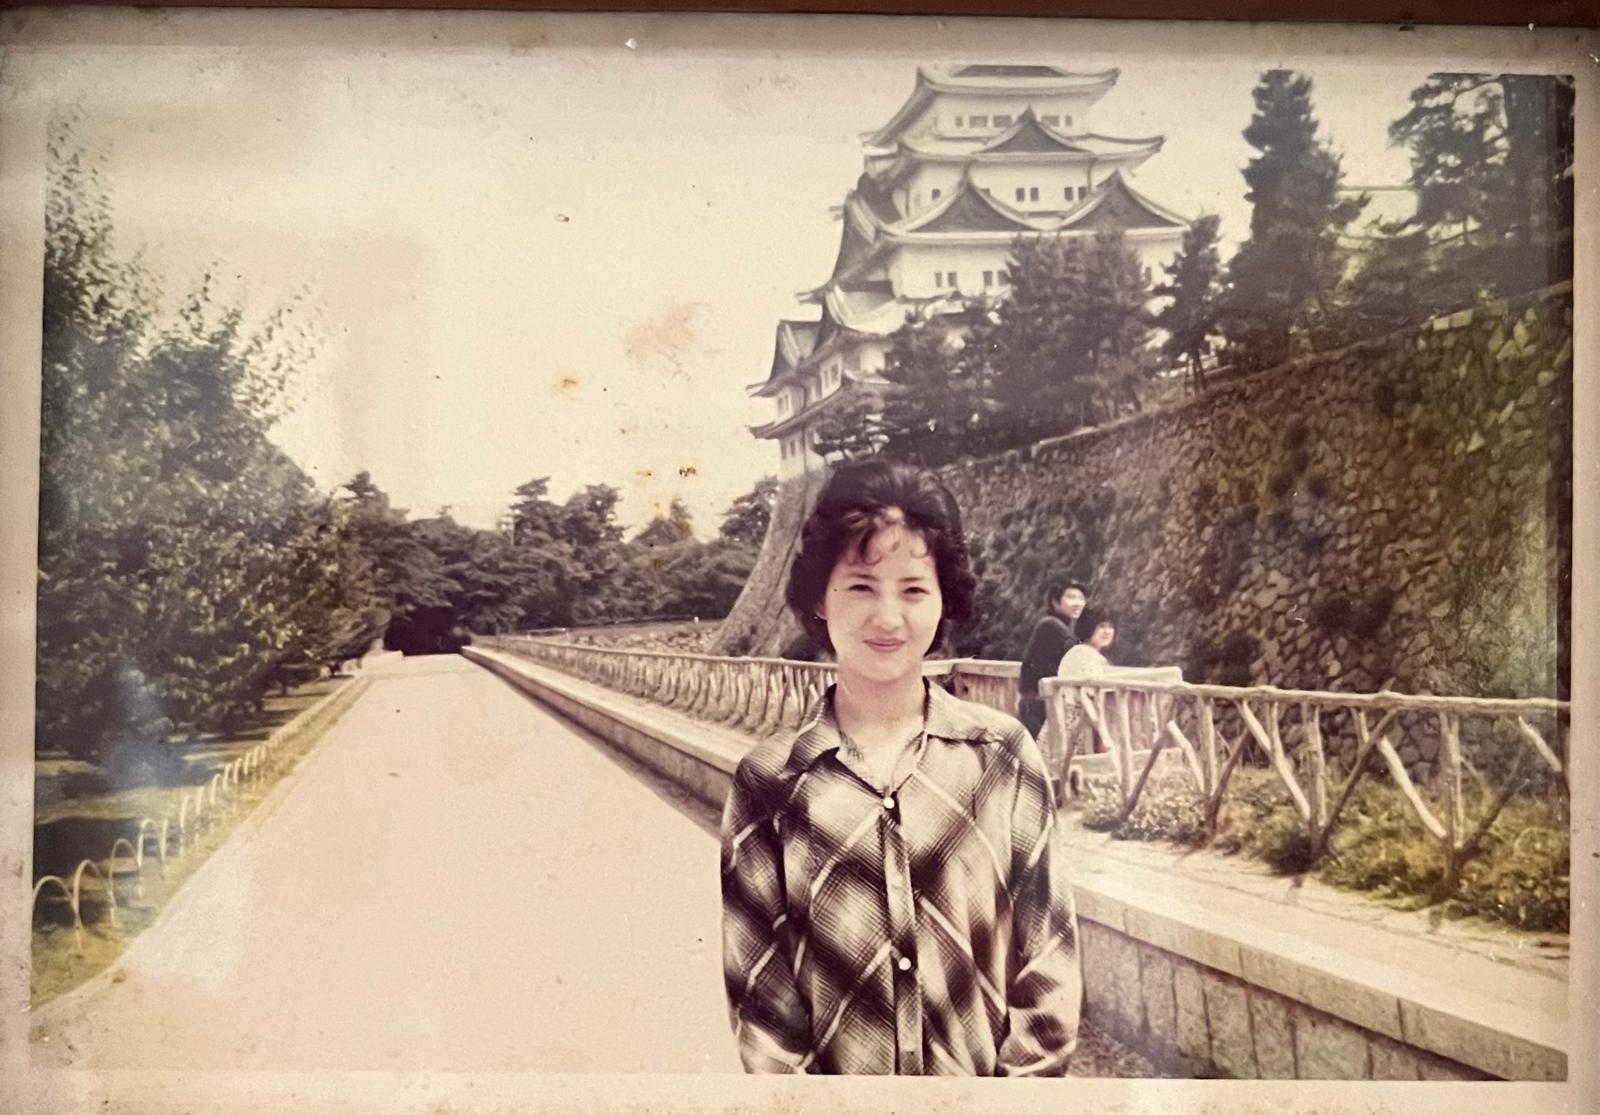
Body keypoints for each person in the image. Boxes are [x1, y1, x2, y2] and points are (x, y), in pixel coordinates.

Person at [719, 460, 1082, 1076]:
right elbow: (765, 1017)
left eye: (913, 590)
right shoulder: (770, 783)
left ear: (944, 600)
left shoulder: (1000, 756)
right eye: (861, 587)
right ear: (820, 599)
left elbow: (1050, 966)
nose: (888, 617)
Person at [1016, 581, 1087, 739]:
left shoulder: (1059, 626)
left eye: (1081, 598)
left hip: (1042, 702)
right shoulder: (1052, 625)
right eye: (1071, 597)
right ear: (1055, 602)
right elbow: (1079, 656)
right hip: (1040, 705)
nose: (1077, 603)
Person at [1056, 607, 1117, 680]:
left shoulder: (1089, 653)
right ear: (1088, 627)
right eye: (1102, 626)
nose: (1107, 632)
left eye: (1111, 627)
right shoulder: (1082, 654)